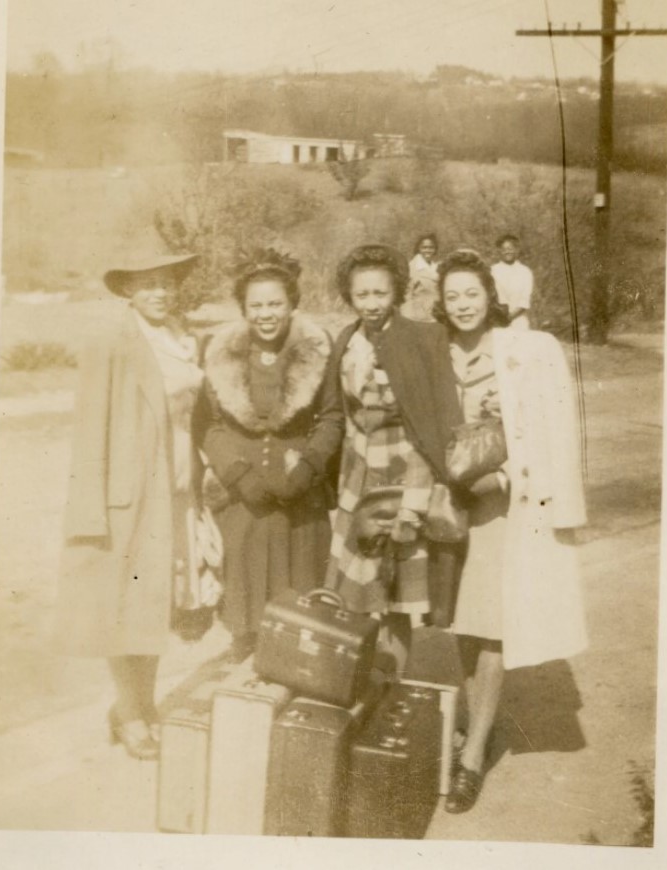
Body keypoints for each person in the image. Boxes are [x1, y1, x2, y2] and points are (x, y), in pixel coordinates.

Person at [434, 248, 588, 813]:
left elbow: (546, 423)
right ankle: (480, 723)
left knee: (493, 624)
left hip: (501, 504)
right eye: (452, 297)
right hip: (450, 507)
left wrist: (502, 474)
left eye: (471, 294)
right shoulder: (438, 351)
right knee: (462, 628)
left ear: (490, 297)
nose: (463, 305)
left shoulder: (522, 351)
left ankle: (473, 754)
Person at [55, 252, 215, 761]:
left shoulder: (179, 336)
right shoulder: (113, 341)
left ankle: (139, 705)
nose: (161, 293)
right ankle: (130, 712)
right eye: (148, 285)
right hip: (131, 496)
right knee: (123, 607)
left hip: (177, 489)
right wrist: (90, 512)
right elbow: (90, 430)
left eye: (167, 283)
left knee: (152, 607)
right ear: (128, 290)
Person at [322, 244, 463, 676]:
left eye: (379, 294)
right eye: (361, 295)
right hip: (359, 476)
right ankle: (359, 686)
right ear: (350, 297)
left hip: (406, 476)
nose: (371, 304)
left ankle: (391, 688)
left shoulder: (423, 338)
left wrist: (419, 498)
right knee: (358, 595)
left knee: (398, 600)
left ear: (396, 292)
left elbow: (438, 420)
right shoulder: (346, 341)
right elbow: (336, 411)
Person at [196, 248, 339, 663]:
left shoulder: (316, 347)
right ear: (243, 308)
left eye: (275, 303)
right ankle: (249, 682)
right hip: (245, 497)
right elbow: (208, 424)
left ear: (292, 302)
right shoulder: (220, 351)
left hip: (298, 494)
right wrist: (238, 475)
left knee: (301, 609)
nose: (266, 313)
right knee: (247, 605)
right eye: (256, 305)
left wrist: (309, 466)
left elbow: (331, 418)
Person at [490, 234, 534, 330]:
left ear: (516, 250)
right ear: (499, 251)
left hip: (519, 320)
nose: (507, 251)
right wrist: (498, 318)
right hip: (496, 321)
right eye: (504, 249)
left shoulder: (525, 271)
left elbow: (525, 301)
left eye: (510, 248)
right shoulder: (492, 271)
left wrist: (509, 318)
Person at [402, 232, 441, 321]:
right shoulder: (412, 268)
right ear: (419, 249)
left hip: (436, 316)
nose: (428, 250)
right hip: (418, 317)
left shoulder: (437, 268)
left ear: (435, 249)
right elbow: (406, 296)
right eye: (424, 247)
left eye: (431, 247)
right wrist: (408, 319)